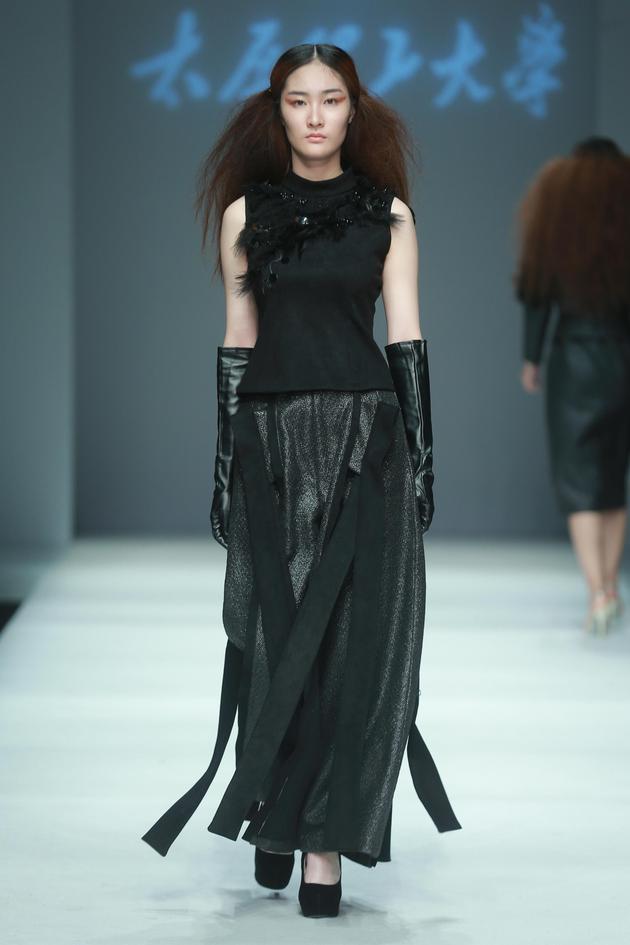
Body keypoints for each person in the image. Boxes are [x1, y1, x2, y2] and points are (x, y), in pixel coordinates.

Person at [141, 42, 461, 918]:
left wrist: (423, 457)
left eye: (330, 99)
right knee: (271, 633)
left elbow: (406, 336)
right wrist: (223, 464)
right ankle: (277, 811)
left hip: (367, 440)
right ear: (275, 109)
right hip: (273, 441)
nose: (315, 116)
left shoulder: (389, 215)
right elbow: (238, 337)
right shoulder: (246, 213)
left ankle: (323, 842)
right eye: (297, 100)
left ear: (354, 109)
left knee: (357, 643)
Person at [515, 136, 630, 635]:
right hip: (622, 355)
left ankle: (597, 590)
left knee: (577, 476)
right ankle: (610, 586)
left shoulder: (557, 204)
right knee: (613, 474)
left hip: (572, 357)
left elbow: (537, 290)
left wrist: (531, 356)